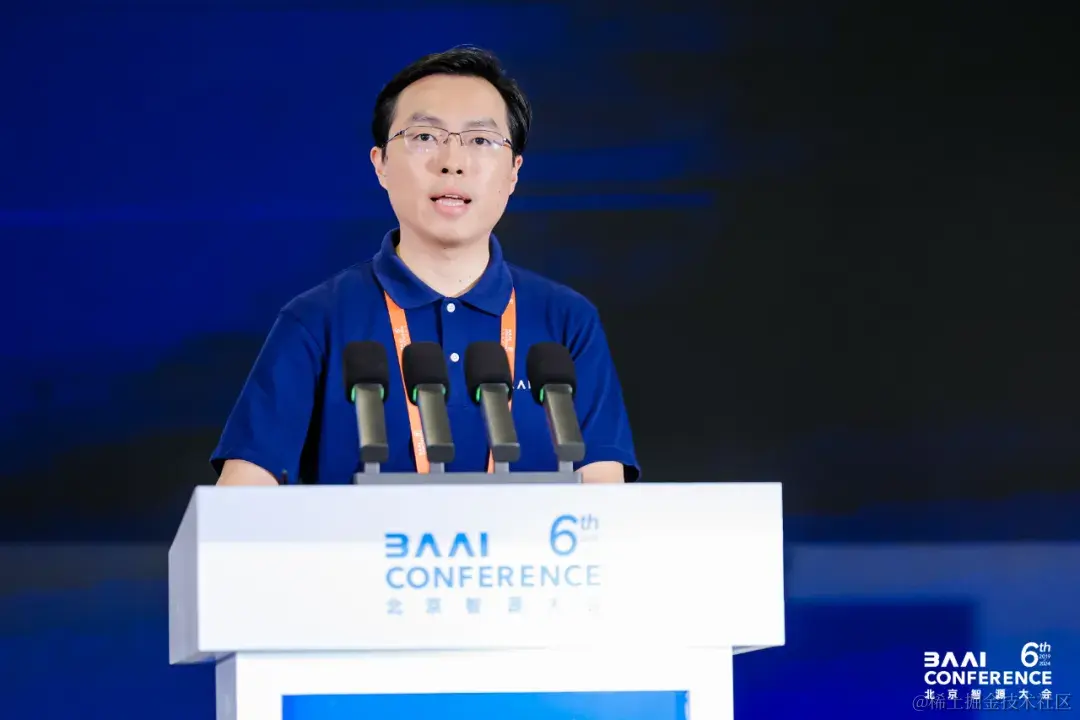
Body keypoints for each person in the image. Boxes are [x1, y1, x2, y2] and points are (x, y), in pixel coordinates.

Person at [212, 46, 638, 486]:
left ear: (513, 172)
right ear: (381, 164)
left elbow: (604, 496)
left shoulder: (567, 321)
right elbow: (241, 499)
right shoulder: (316, 320)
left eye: (480, 140)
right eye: (424, 137)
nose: (452, 163)